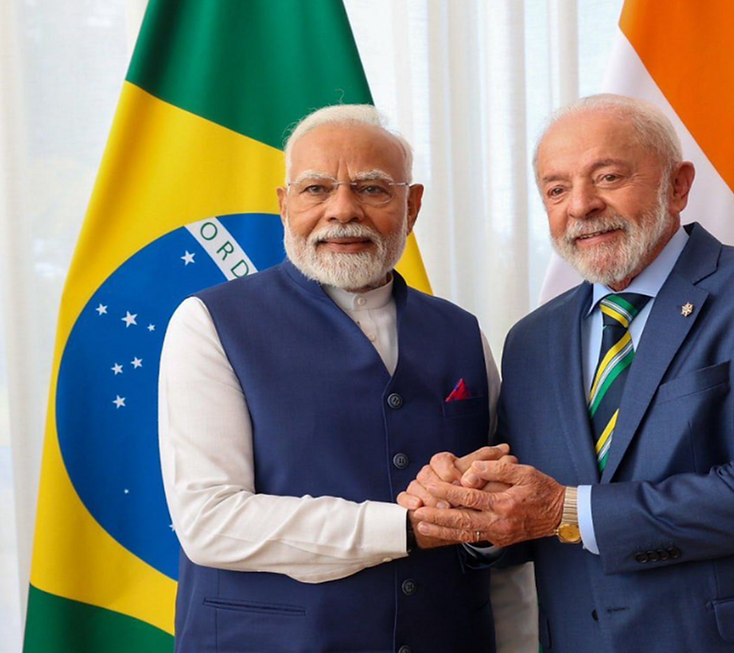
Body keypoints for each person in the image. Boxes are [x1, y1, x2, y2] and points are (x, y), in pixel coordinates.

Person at [404, 94, 734, 652]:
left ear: (678, 186)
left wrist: (564, 509)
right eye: (556, 189)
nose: (581, 205)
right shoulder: (530, 340)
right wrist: (471, 508)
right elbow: (530, 519)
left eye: (607, 177)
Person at [159, 104, 535, 653]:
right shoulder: (209, 323)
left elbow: (499, 522)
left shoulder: (462, 332)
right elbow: (209, 520)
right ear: (284, 206)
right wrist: (402, 530)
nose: (342, 211)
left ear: (412, 205)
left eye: (372, 189)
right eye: (315, 189)